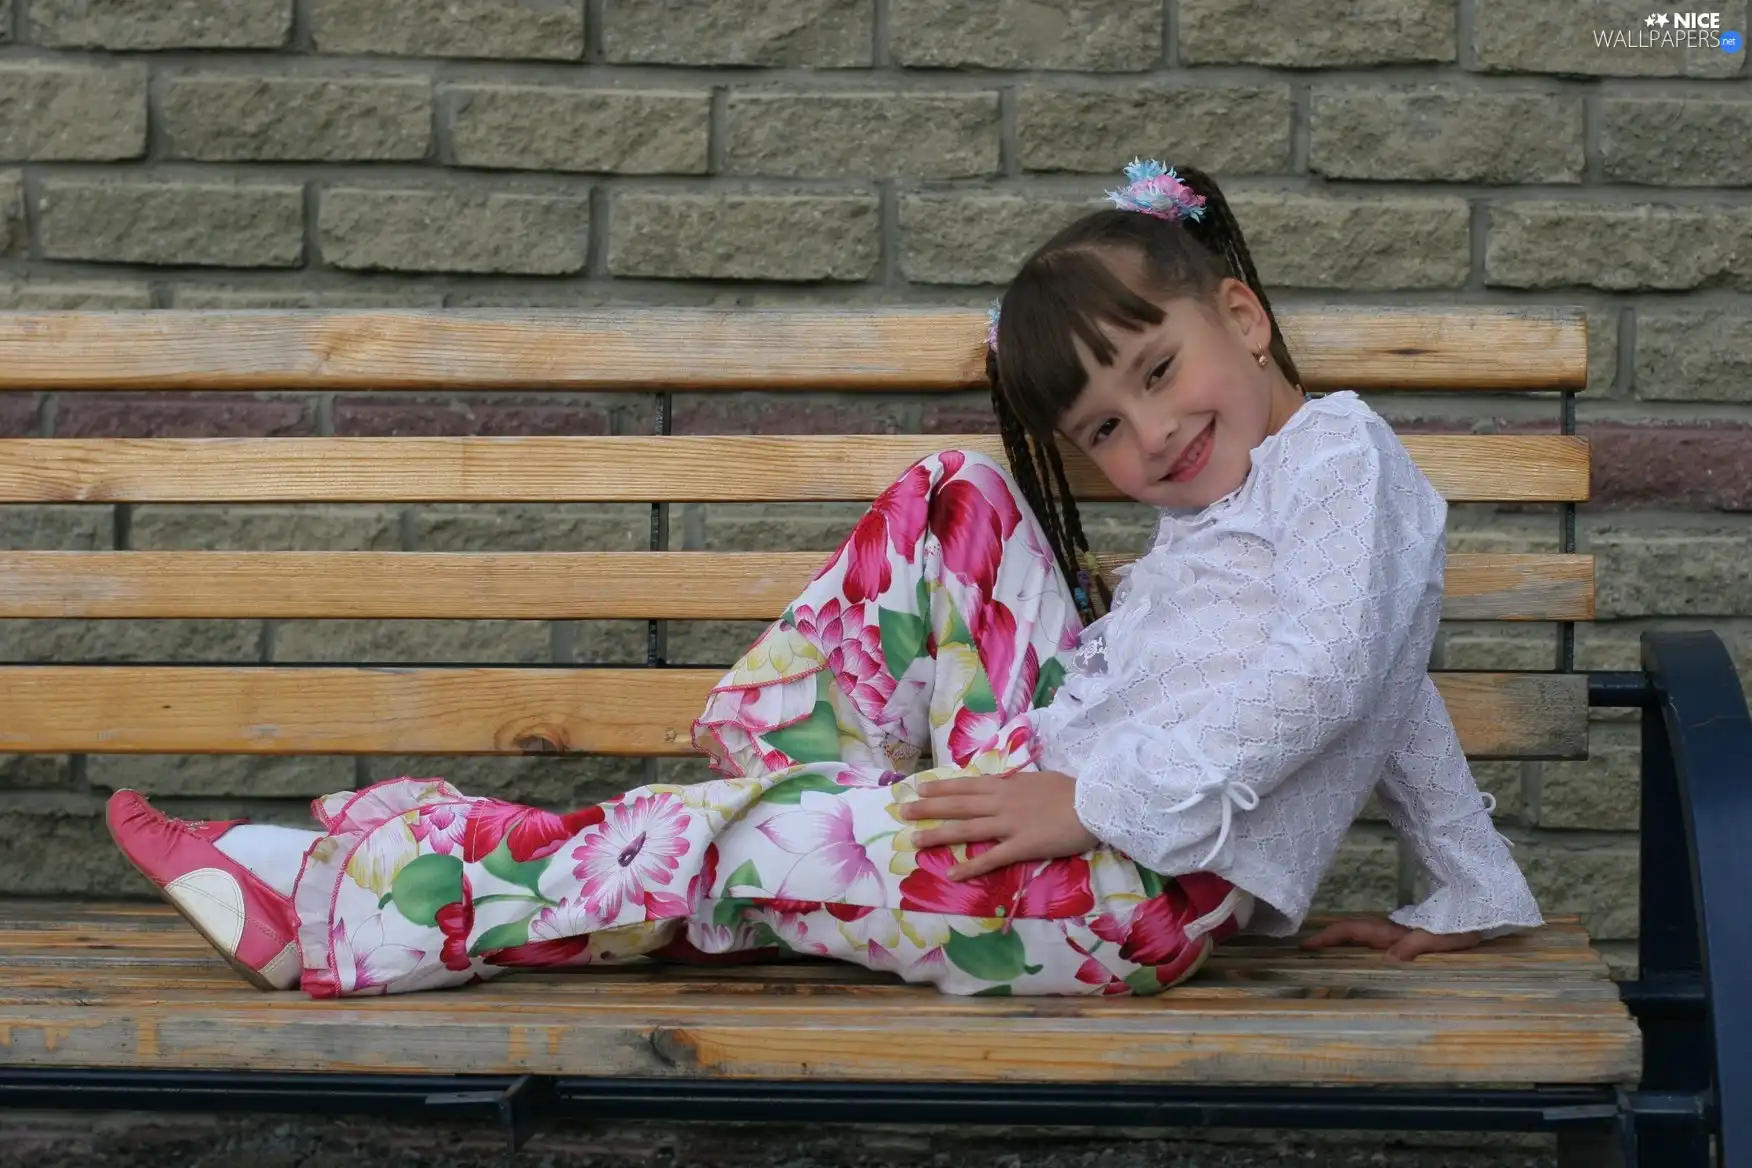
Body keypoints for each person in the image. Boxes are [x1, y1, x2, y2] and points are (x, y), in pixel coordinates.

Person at [105, 162, 1542, 999]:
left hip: (1127, 892)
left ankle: (342, 907)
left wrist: (1092, 798)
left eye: (1160, 373)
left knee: (733, 846)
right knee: (956, 495)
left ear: (1242, 313)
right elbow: (1398, 667)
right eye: (1104, 427)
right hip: (1069, 807)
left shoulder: (1340, 455)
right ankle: (782, 796)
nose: (1150, 435)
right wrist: (1470, 885)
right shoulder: (1265, 492)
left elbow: (1341, 670)